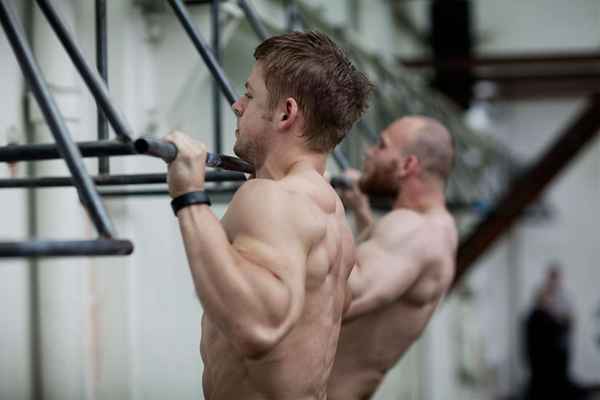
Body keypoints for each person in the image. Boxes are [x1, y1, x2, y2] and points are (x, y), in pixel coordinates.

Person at [164, 31, 372, 400]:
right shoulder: (331, 211)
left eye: (249, 93)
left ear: (286, 113)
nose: (236, 104)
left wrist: (189, 196)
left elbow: (258, 329)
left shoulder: (273, 199)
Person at [327, 116, 458, 400]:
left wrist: (321, 205)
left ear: (408, 165)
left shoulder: (412, 231)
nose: (369, 152)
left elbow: (343, 298)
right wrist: (361, 213)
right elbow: (384, 276)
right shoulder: (441, 227)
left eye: (381, 146)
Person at [524, 264, 582, 400]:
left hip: (557, 345)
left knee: (559, 375)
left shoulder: (564, 296)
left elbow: (569, 319)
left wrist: (562, 320)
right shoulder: (538, 312)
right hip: (544, 352)